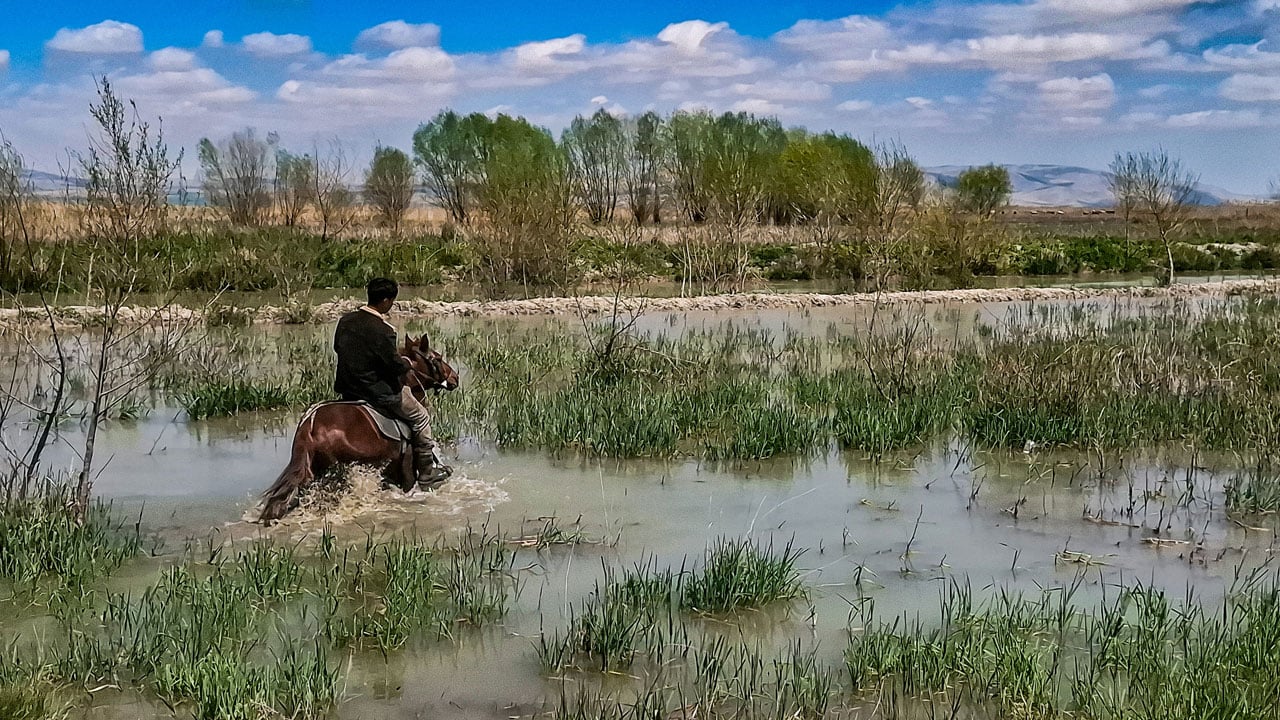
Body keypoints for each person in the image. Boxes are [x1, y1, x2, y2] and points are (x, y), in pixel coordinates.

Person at [333, 277, 451, 484]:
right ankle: (426, 471)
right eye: (392, 302)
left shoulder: (345, 321)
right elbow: (392, 364)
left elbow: (338, 348)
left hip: (347, 390)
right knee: (421, 417)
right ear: (386, 301)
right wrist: (407, 366)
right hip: (377, 393)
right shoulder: (384, 330)